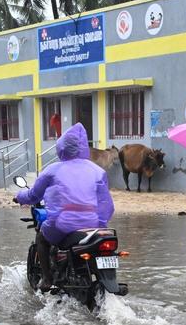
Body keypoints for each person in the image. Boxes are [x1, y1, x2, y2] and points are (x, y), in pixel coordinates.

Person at [13, 123, 114, 291]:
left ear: (61, 147)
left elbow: (33, 195)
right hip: (94, 226)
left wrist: (19, 196)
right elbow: (107, 205)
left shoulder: (53, 170)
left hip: (62, 224)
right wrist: (99, 224)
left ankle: (47, 279)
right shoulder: (98, 171)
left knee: (41, 239)